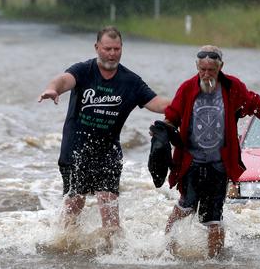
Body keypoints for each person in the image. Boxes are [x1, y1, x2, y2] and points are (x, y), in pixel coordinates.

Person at [38, 26, 170, 240]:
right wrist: (53, 88)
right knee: (74, 206)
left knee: (109, 211)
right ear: (97, 47)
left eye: (116, 49)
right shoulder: (83, 70)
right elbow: (64, 80)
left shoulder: (131, 81)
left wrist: (185, 104)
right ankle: (63, 247)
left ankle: (112, 253)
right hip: (76, 150)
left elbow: (155, 103)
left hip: (107, 152)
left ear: (122, 49)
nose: (112, 54)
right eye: (107, 48)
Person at [163, 45, 260, 258]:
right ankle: (166, 249)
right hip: (191, 163)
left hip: (219, 165)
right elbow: (171, 116)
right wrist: (160, 136)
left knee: (214, 218)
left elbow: (255, 103)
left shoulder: (232, 87)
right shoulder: (187, 88)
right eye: (202, 70)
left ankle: (215, 260)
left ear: (220, 67)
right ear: (197, 67)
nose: (206, 75)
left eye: (211, 70)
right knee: (185, 207)